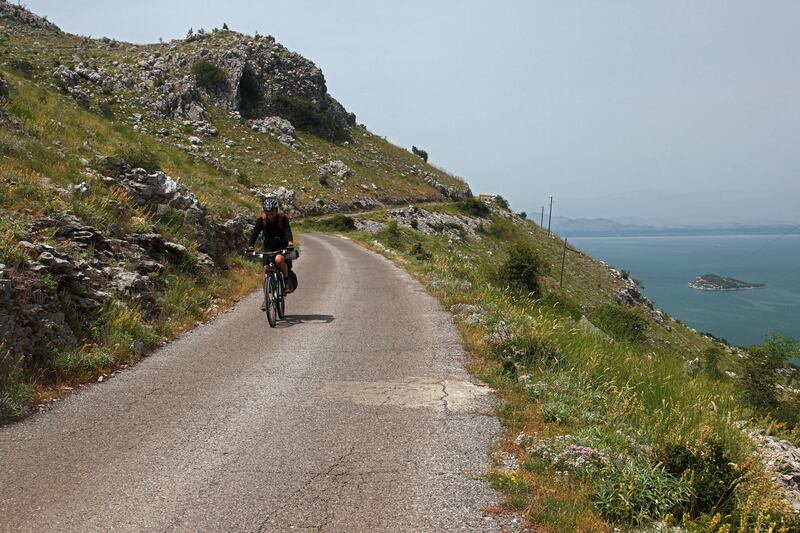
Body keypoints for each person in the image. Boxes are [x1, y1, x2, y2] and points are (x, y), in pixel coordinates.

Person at [247, 197, 295, 307]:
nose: (270, 214)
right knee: (265, 269)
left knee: (278, 260)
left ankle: (286, 279)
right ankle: (266, 299)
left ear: (276, 210)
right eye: (267, 212)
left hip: (281, 245)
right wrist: (250, 246)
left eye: (272, 211)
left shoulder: (282, 219)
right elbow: (254, 234)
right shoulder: (261, 221)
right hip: (268, 247)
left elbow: (288, 231)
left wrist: (290, 244)